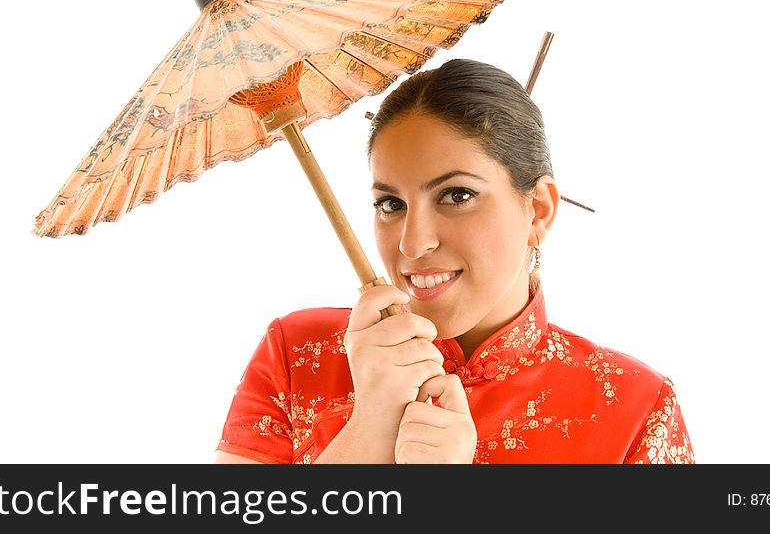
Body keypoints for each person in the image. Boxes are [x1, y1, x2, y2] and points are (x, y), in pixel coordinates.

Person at [214, 58, 694, 464]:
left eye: (456, 195)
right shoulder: (298, 353)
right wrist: (369, 433)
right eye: (390, 204)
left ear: (539, 209)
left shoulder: (633, 407)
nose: (412, 243)